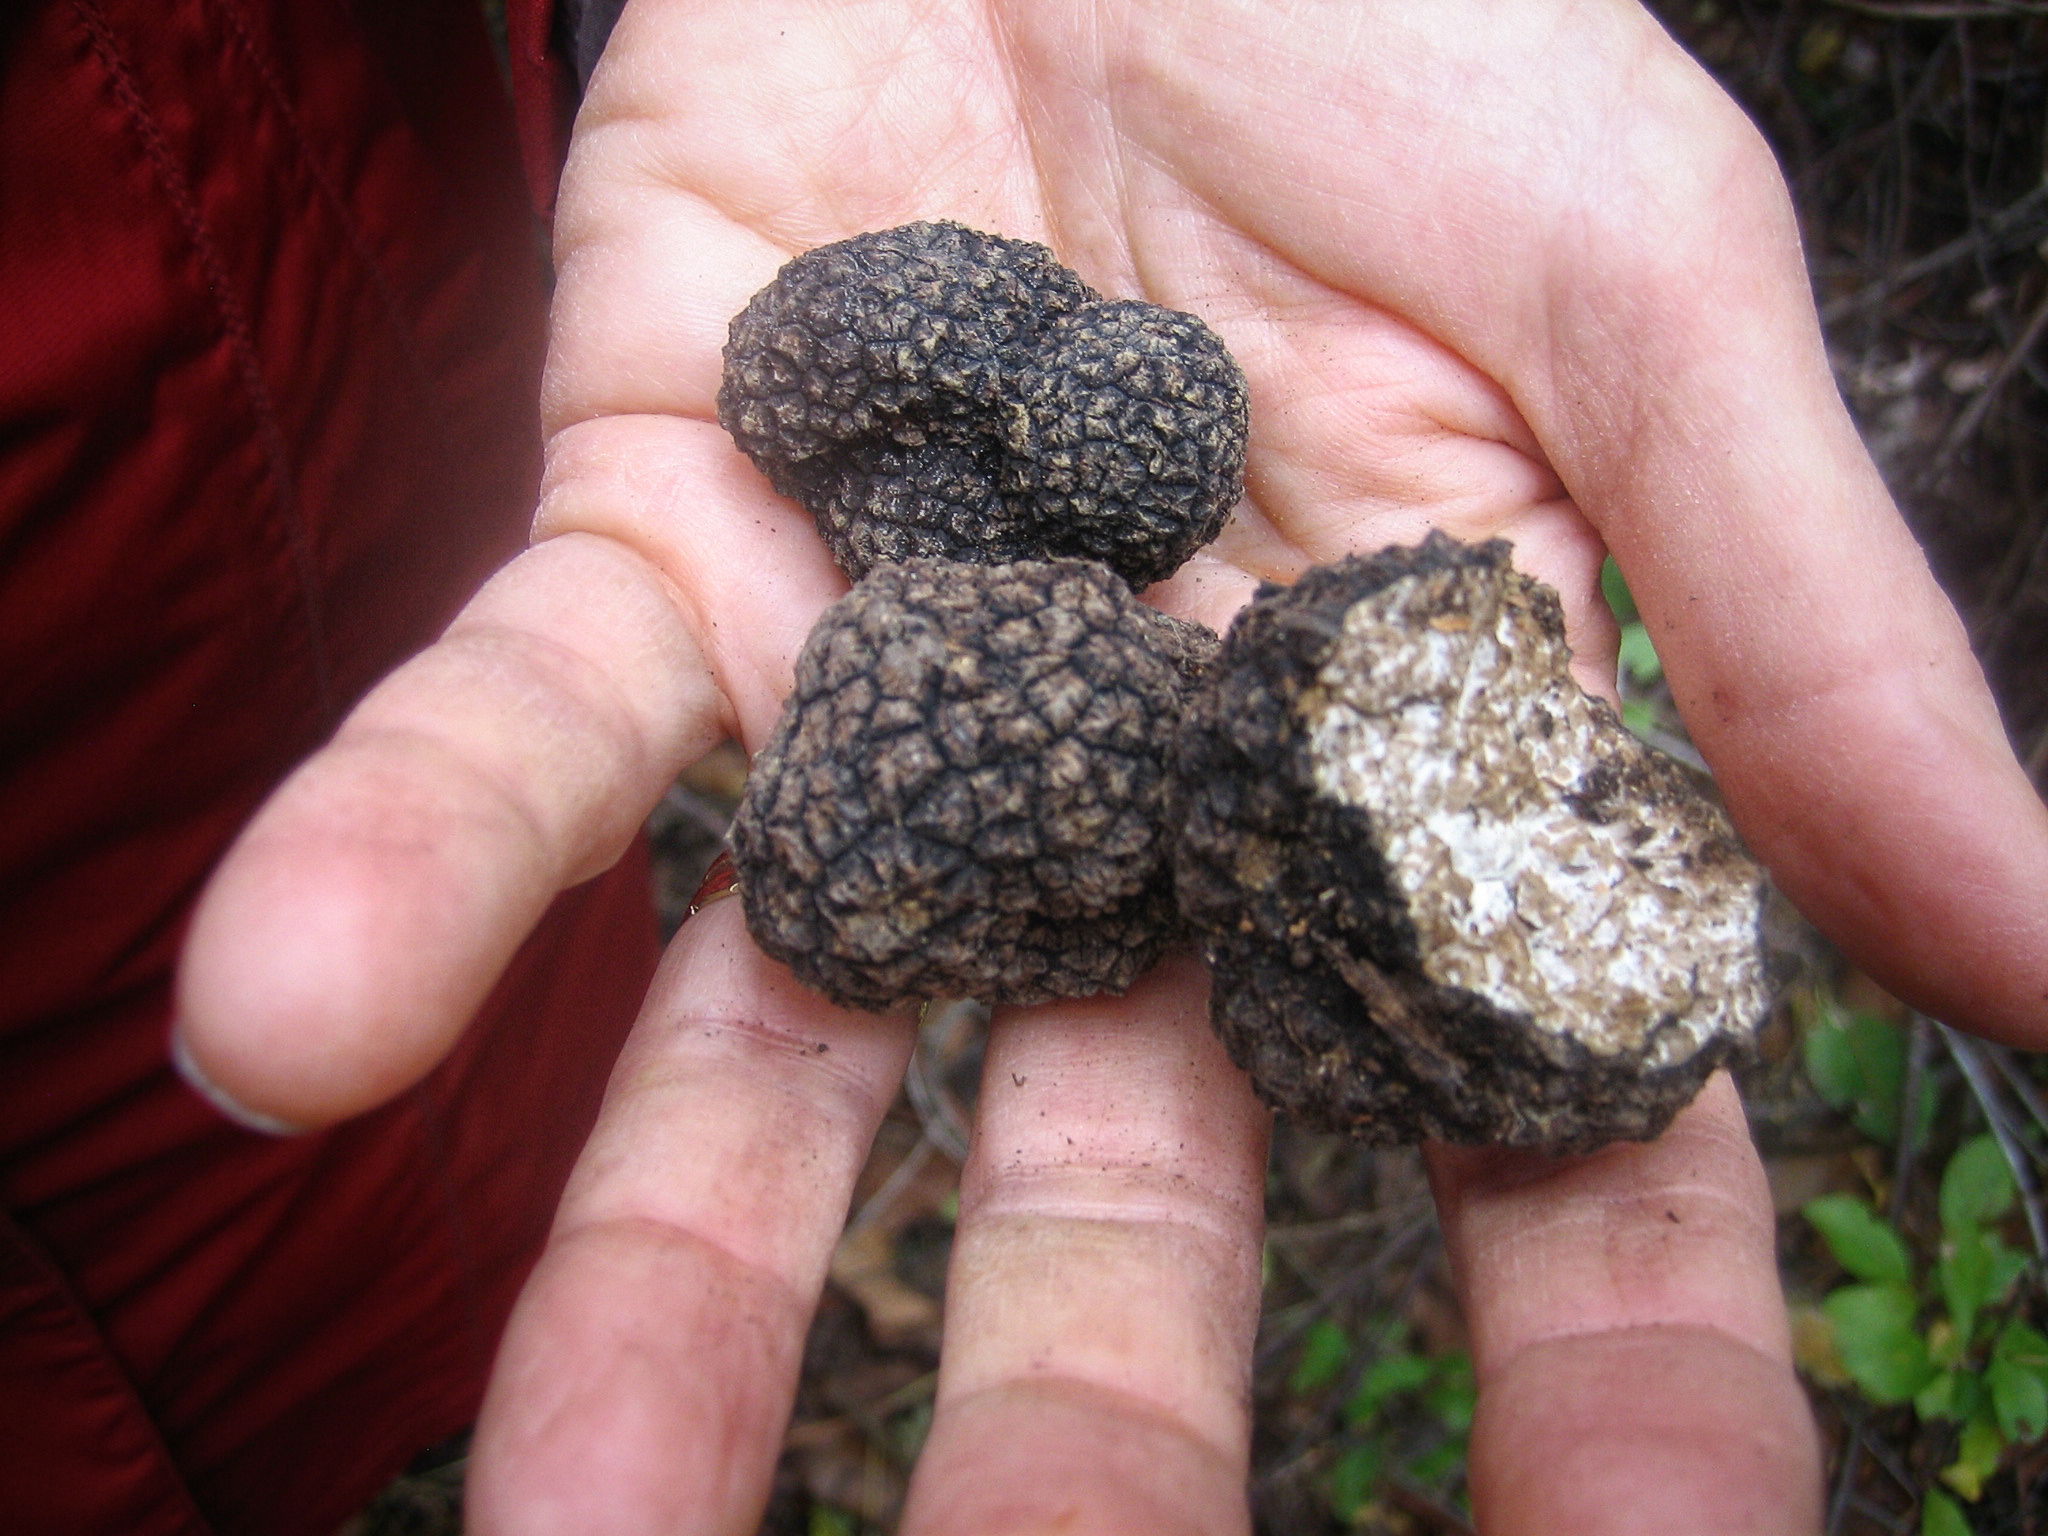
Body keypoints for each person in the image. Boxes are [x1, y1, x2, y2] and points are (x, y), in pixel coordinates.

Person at [13, 2, 2048, 1533]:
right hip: (195, 609)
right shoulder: (1057, 561)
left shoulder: (1186, 660)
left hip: (283, 293)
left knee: (375, 1240)